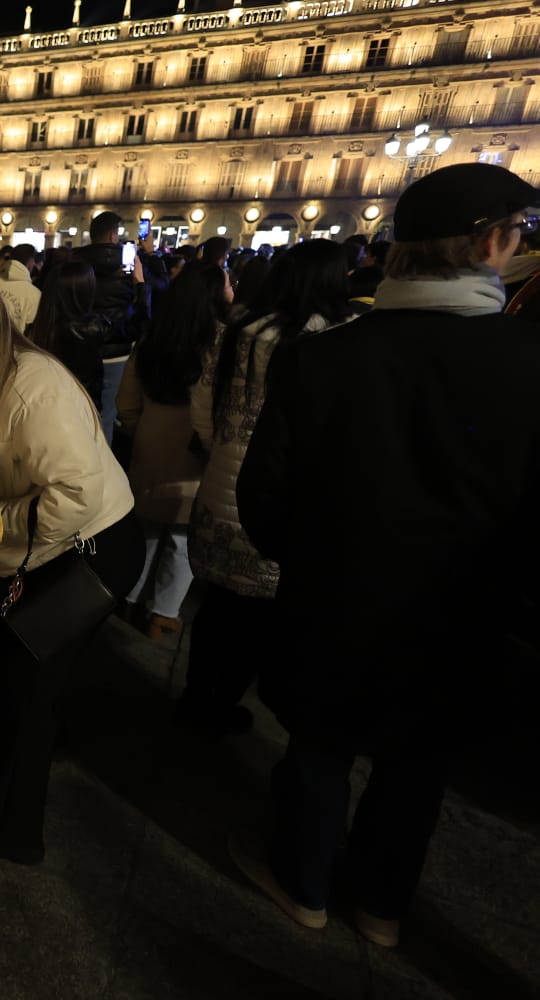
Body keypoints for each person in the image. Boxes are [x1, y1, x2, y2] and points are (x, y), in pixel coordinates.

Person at [232, 163, 540, 948]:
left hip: (334, 604)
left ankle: (303, 883)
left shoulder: (325, 358)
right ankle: (381, 906)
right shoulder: (527, 365)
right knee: (418, 767)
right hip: (461, 618)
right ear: (490, 244)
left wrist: (313, 562)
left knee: (320, 750)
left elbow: (263, 495)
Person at [0, 272, 141, 864]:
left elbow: (75, 492)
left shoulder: (31, 384)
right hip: (59, 542)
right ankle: (7, 806)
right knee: (28, 688)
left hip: (83, 547)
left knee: (22, 695)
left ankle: (8, 830)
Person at [180, 240, 351, 737]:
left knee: (218, 609)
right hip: (285, 499)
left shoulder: (238, 331)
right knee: (259, 619)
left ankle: (197, 699)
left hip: (221, 486)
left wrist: (223, 449)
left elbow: (203, 406)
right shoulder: (335, 340)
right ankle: (220, 705)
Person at [116, 260, 230, 638]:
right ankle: (162, 614)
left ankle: (130, 599)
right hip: (195, 457)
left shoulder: (153, 338)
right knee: (182, 539)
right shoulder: (222, 343)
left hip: (150, 446)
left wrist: (140, 431)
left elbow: (127, 402)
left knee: (146, 529)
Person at [73, 211, 136, 443]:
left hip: (80, 345)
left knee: (77, 411)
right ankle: (103, 466)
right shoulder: (127, 265)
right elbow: (140, 314)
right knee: (107, 413)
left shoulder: (75, 261)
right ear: (112, 235)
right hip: (115, 351)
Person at [33, 258, 111, 409]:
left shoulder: (38, 328)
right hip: (83, 407)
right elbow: (135, 325)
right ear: (84, 292)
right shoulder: (93, 327)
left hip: (47, 407)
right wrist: (141, 286)